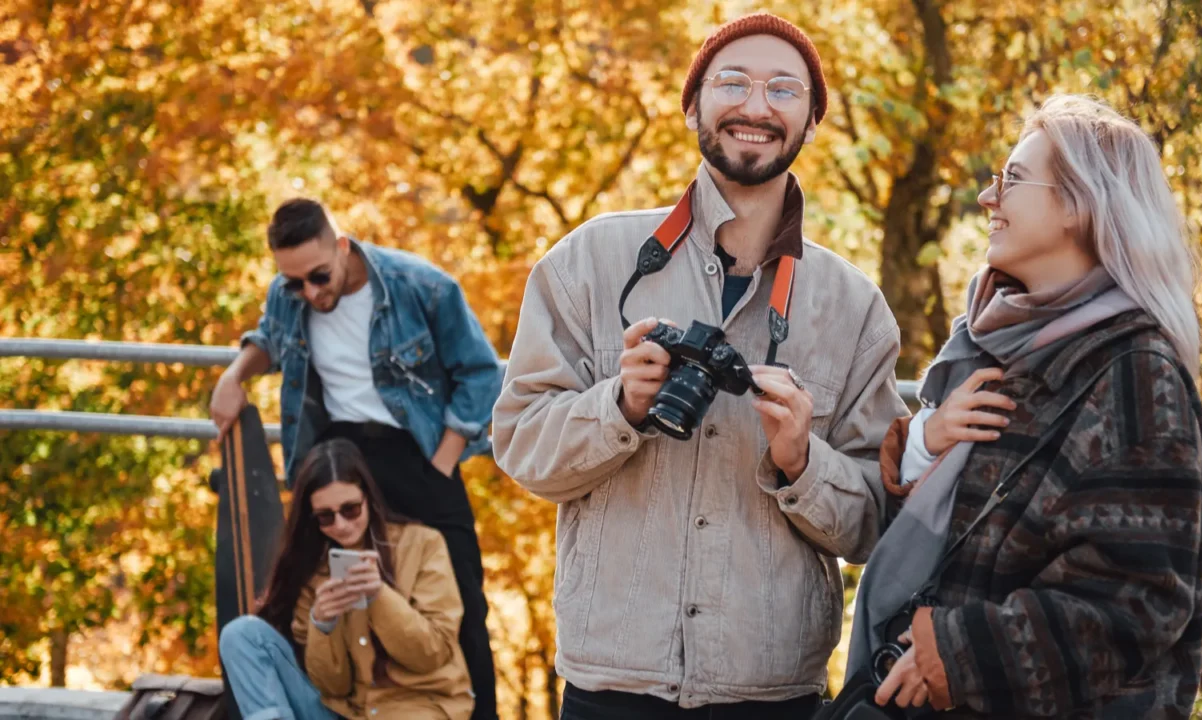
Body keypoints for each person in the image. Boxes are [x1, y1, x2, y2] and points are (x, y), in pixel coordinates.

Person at [492, 11, 909, 719]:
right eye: (733, 83)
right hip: (611, 684)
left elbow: (876, 524)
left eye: (784, 90)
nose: (756, 106)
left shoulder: (854, 307)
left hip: (772, 689)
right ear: (693, 105)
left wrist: (804, 462)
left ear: (811, 124)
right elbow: (521, 449)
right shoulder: (588, 263)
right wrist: (617, 407)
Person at [844, 95, 1202, 718]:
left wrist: (951, 657)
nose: (989, 199)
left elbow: (1133, 604)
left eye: (1011, 180)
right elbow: (968, 532)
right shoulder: (1004, 345)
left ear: (1079, 203)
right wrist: (926, 438)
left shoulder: (1136, 374)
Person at [210, 199, 502, 719]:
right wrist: (234, 376)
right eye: (295, 283)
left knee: (462, 603)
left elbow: (481, 372)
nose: (310, 293)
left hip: (418, 452)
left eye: (318, 277)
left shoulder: (420, 285)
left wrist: (443, 461)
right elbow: (268, 339)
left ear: (341, 246)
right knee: (309, 590)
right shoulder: (290, 292)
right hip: (336, 457)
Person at [219, 438, 474, 719]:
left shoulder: (423, 544)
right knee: (241, 634)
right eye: (326, 517)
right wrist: (322, 625)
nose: (340, 525)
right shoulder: (313, 568)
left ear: (368, 498)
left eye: (350, 509)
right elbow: (332, 687)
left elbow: (431, 654)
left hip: (417, 709)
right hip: (344, 712)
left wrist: (380, 596)